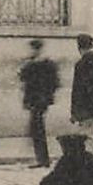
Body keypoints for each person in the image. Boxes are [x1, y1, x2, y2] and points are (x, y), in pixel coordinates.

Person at [19, 39, 59, 168]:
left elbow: (23, 77)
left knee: (37, 128)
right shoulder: (46, 63)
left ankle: (43, 159)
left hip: (38, 101)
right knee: (37, 128)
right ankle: (42, 159)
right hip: (40, 100)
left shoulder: (38, 64)